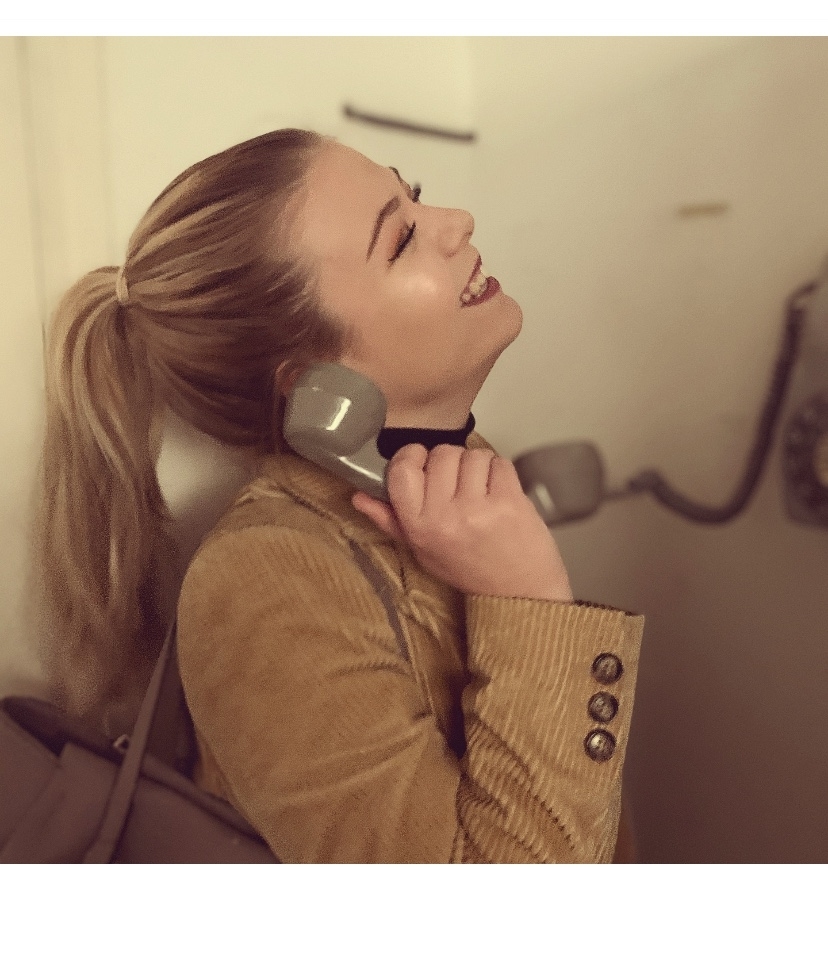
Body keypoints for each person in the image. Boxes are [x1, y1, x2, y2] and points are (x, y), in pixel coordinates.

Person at [37, 128, 644, 862]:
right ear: (315, 386)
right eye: (400, 240)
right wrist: (530, 599)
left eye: (414, 196)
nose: (457, 222)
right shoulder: (262, 583)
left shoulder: (462, 475)